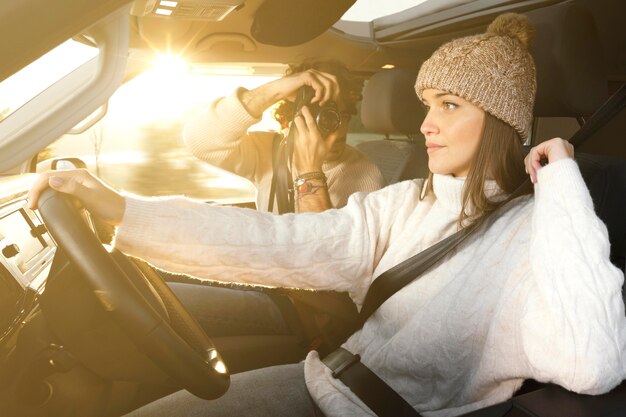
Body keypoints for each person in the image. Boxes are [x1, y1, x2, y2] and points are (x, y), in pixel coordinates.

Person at [29, 13, 626, 417]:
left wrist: (563, 183)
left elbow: (593, 361)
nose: (424, 125)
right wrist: (118, 208)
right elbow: (278, 240)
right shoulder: (406, 200)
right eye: (426, 105)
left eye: (448, 105)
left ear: (501, 122)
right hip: (327, 379)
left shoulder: (541, 230)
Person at [183, 58, 386, 213]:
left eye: (340, 116)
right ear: (291, 119)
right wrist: (275, 91)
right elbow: (201, 141)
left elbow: (324, 255)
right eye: (321, 116)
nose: (337, 129)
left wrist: (310, 171)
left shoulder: (365, 175)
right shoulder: (270, 151)